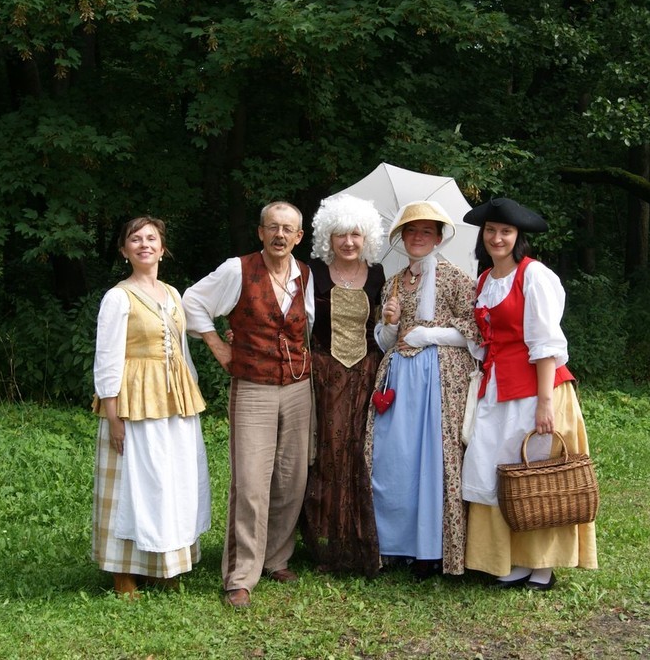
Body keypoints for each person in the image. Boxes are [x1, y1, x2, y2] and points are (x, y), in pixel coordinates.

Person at [182, 201, 315, 609]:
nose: (279, 235)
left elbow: (308, 326)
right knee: (251, 481)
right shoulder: (236, 270)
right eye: (272, 227)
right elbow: (191, 301)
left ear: (299, 237)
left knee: (292, 478)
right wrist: (217, 343)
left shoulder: (305, 274)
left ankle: (276, 558)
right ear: (260, 232)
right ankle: (240, 575)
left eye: (287, 229)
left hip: (299, 386)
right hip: (254, 386)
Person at [460, 197, 598, 591]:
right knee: (500, 471)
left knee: (537, 473)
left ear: (518, 236)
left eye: (505, 231)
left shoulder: (534, 275)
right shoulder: (485, 281)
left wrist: (544, 404)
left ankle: (542, 566)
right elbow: (485, 340)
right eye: (490, 231)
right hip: (497, 388)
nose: (496, 238)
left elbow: (546, 343)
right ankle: (513, 561)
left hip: (536, 389)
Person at [91, 216, 211, 599]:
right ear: (124, 250)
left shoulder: (173, 294)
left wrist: (189, 391)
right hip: (134, 399)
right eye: (135, 239)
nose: (144, 244)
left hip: (175, 398)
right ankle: (123, 571)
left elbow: (182, 349)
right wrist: (113, 414)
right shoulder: (118, 298)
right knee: (135, 482)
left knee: (169, 480)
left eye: (151, 238)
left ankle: (162, 565)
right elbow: (107, 358)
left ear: (162, 248)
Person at [364, 200, 478, 579]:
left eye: (426, 231)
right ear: (401, 237)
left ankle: (431, 550)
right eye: (411, 231)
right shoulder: (394, 283)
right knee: (395, 458)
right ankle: (395, 543)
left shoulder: (455, 278)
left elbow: (475, 335)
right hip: (399, 379)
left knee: (433, 459)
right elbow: (385, 342)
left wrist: (429, 335)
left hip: (439, 381)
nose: (417, 237)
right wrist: (389, 323)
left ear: (438, 238)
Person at [299, 193, 386, 578]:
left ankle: (360, 537)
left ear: (366, 237)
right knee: (327, 453)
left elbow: (385, 332)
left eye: (355, 234)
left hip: (367, 374)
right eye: (340, 235)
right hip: (324, 375)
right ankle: (326, 539)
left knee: (361, 451)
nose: (348, 242)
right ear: (327, 237)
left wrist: (391, 319)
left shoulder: (380, 276)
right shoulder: (311, 273)